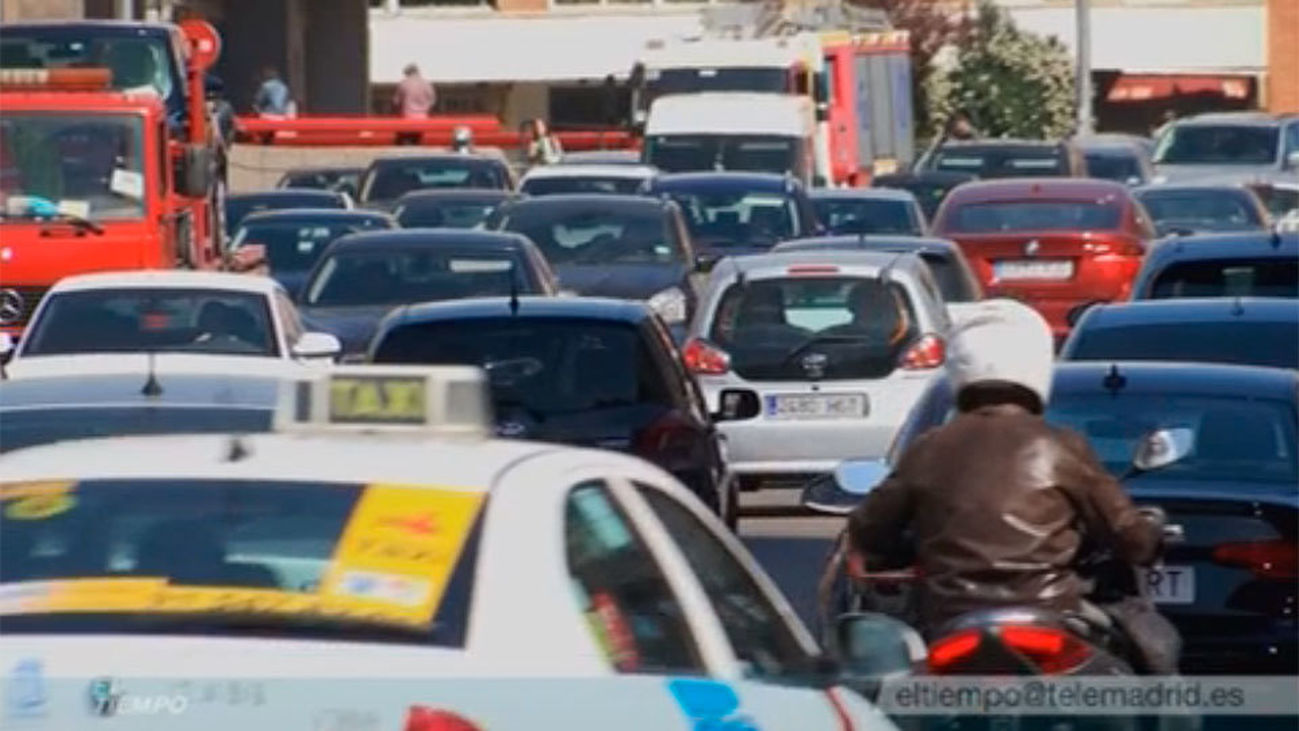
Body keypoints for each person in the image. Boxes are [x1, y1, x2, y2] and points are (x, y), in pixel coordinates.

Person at [843, 302, 1174, 667]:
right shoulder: (1060, 446)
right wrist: (1150, 533)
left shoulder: (929, 447)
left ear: (958, 367)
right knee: (1153, 663)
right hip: (1051, 613)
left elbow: (869, 530)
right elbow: (1129, 535)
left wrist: (906, 548)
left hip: (949, 620)